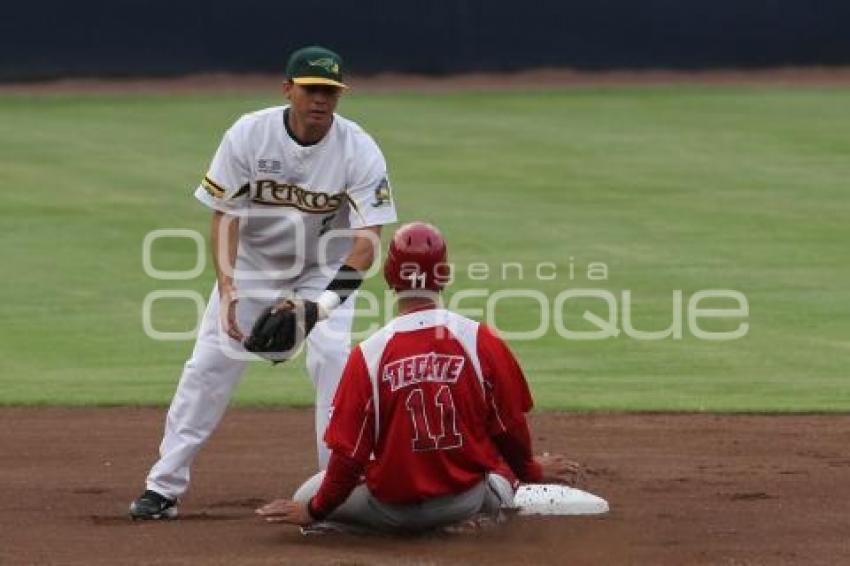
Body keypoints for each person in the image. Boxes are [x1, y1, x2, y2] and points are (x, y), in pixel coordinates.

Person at [129, 45, 398, 520]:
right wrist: (229, 288)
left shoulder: (359, 148)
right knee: (209, 364)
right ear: (287, 89)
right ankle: (163, 487)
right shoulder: (249, 134)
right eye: (312, 89)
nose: (322, 100)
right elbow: (225, 215)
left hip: (324, 269)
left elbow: (366, 242)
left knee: (335, 361)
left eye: (331, 92)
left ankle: (333, 495)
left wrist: (321, 307)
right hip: (253, 264)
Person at [256, 222, 580, 533]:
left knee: (307, 495)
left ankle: (360, 532)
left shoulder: (369, 354)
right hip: (464, 502)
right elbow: (509, 427)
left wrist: (314, 511)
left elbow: (348, 457)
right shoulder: (480, 340)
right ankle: (478, 516)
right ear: (445, 275)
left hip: (391, 512)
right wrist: (530, 470)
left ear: (389, 275)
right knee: (498, 464)